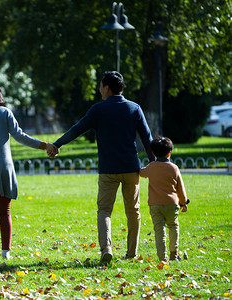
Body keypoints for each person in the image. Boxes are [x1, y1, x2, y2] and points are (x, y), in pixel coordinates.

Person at [48, 71, 155, 263]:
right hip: (131, 168)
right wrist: (155, 164)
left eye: (100, 86)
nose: (99, 89)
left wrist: (57, 144)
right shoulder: (134, 108)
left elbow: (77, 129)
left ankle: (106, 248)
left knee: (104, 210)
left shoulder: (98, 109)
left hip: (108, 170)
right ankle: (132, 253)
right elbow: (147, 139)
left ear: (106, 87)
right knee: (133, 211)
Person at [0, 79, 56, 259]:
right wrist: (44, 145)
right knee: (5, 210)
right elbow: (20, 136)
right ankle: (6, 251)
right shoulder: (5, 113)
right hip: (3, 166)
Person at [139, 136, 189, 261]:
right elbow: (180, 189)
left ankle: (162, 257)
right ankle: (174, 254)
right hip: (172, 204)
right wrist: (183, 203)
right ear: (169, 153)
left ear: (153, 153)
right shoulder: (174, 168)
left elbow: (141, 172)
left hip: (155, 205)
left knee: (159, 231)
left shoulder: (151, 167)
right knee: (173, 227)